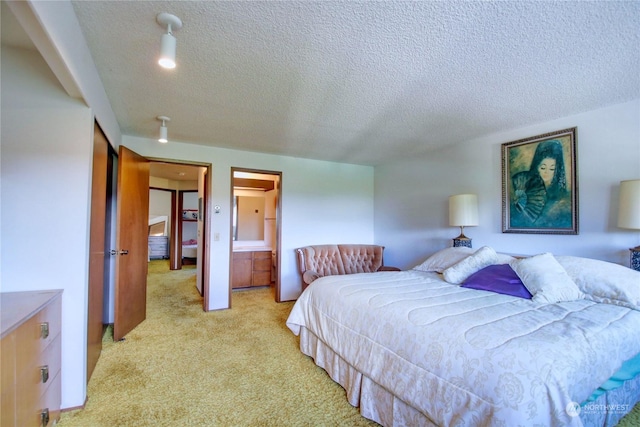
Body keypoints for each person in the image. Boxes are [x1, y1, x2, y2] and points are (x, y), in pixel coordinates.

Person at [510, 139, 571, 228]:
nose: (547, 172)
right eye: (543, 168)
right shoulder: (523, 188)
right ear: (536, 167)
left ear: (557, 171)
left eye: (552, 169)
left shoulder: (561, 200)